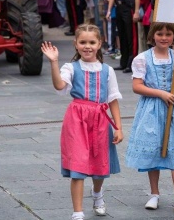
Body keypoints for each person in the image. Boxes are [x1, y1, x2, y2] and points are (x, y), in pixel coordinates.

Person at [41, 24, 123, 220]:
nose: (88, 46)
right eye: (83, 42)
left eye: (92, 42)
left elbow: (112, 99)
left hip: (100, 120)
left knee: (99, 167)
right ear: (75, 44)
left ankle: (97, 194)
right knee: (77, 166)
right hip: (77, 120)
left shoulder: (107, 70)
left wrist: (118, 127)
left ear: (99, 44)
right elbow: (60, 85)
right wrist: (54, 62)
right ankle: (77, 212)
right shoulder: (71, 67)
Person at [125, 22, 174, 213]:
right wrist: (160, 93)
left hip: (173, 109)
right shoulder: (143, 58)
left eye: (168, 34)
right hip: (152, 108)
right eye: (160, 33)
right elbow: (137, 86)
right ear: (152, 36)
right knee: (153, 149)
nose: (164, 37)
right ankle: (154, 193)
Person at [106, 0, 140, 73]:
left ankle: (131, 63)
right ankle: (124, 62)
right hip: (118, 6)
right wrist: (109, 10)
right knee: (122, 35)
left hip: (128, 7)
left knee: (130, 36)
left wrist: (136, 11)